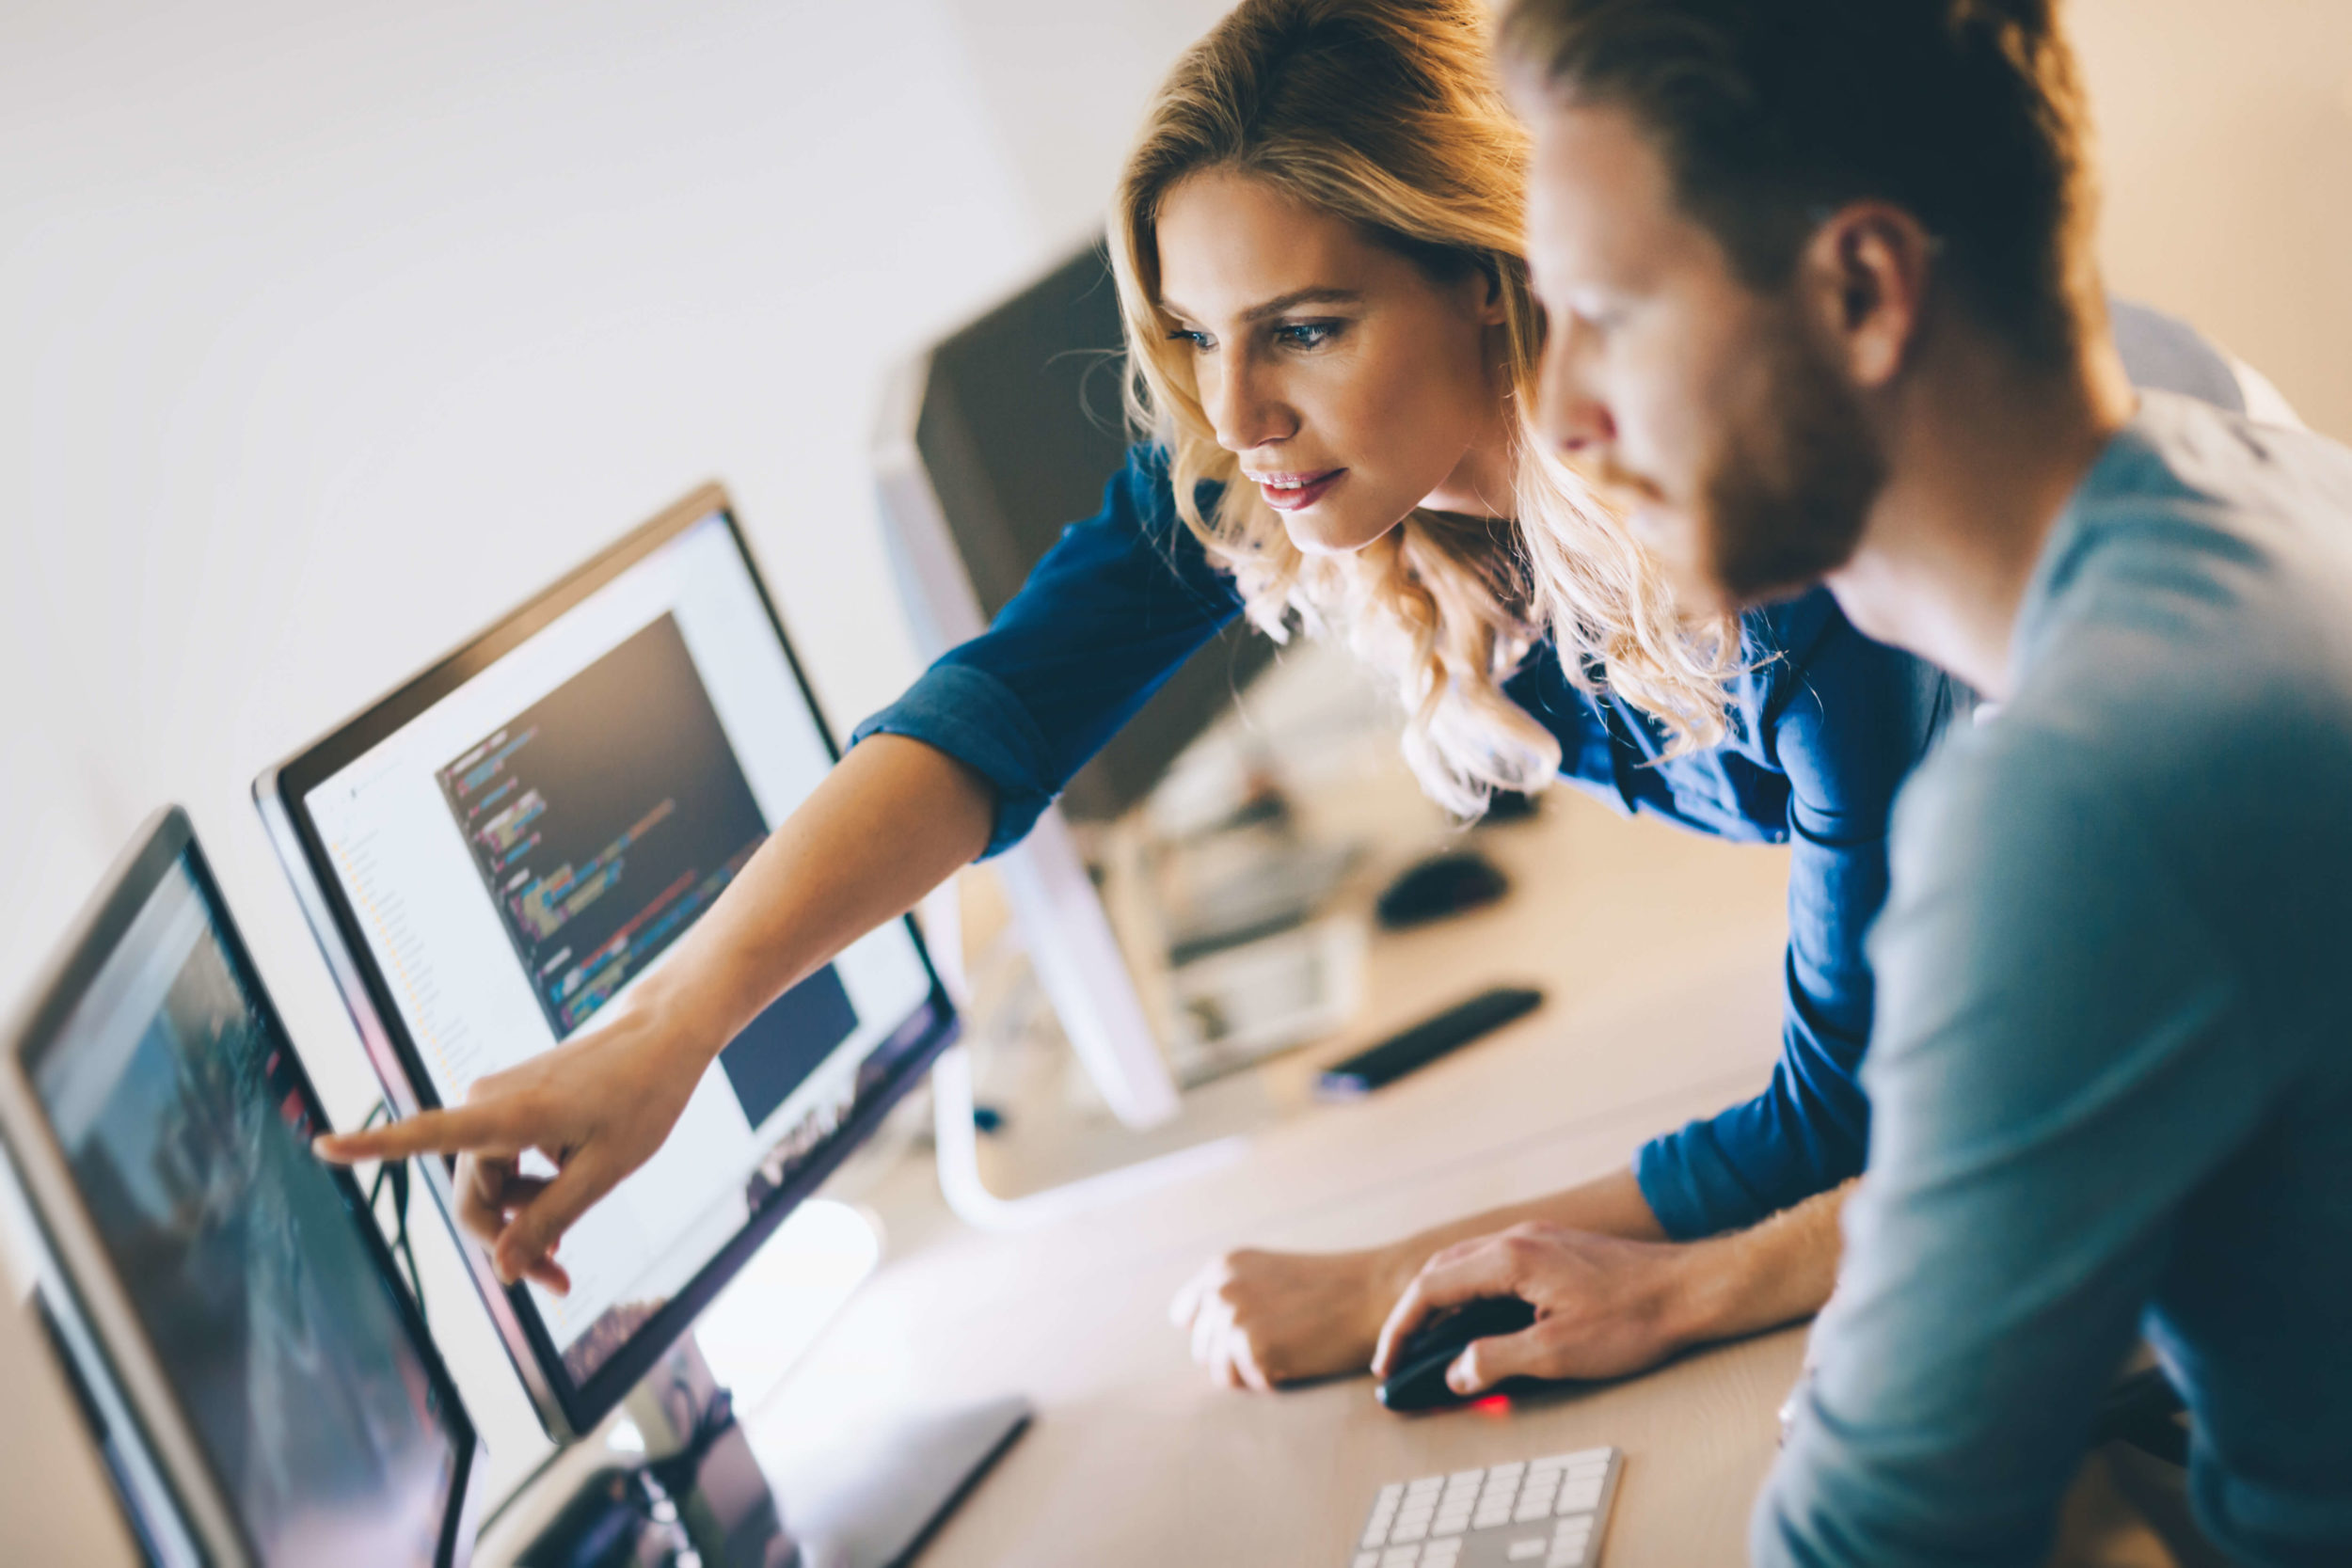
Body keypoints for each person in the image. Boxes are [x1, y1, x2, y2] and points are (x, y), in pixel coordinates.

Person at [317, 0, 2237, 1399]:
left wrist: (1383, 1283)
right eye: (1190, 338)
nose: (1234, 421)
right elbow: (996, 712)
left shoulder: (1769, 506)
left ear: (1491, 280)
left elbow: (1848, 1114)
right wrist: (671, 1028)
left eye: (1307, 327)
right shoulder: (1295, 461)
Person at [1432, 1, 2352, 1563]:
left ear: (1862, 290)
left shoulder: (2082, 798)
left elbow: (1870, 1546)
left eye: (1609, 312)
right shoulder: (2257, 486)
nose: (1563, 411)